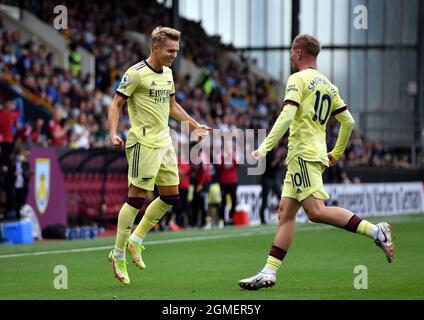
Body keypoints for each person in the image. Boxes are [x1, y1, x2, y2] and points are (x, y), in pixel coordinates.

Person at [238, 34, 394, 290]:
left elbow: (287, 115)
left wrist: (264, 147)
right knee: (285, 214)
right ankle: (269, 272)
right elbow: (348, 122)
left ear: (298, 53)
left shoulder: (297, 79)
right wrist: (336, 153)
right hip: (312, 155)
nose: (290, 56)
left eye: (291, 51)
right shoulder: (329, 85)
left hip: (303, 154)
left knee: (316, 212)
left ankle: (377, 231)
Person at [107, 26, 211, 285]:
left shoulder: (168, 74)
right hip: (143, 142)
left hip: (164, 141)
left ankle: (136, 240)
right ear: (155, 47)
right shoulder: (135, 74)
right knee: (136, 198)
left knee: (171, 195)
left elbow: (172, 105)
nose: (174, 55)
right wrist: (112, 133)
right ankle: (117, 253)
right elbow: (116, 104)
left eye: (176, 51)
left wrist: (193, 124)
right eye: (170, 50)